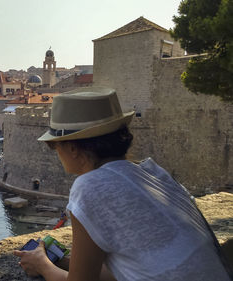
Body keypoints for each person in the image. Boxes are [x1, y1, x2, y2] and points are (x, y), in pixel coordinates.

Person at [13, 87, 231, 281]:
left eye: (54, 146)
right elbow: (136, 266)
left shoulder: (90, 186)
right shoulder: (155, 173)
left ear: (72, 148)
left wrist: (42, 264)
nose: (55, 152)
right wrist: (64, 262)